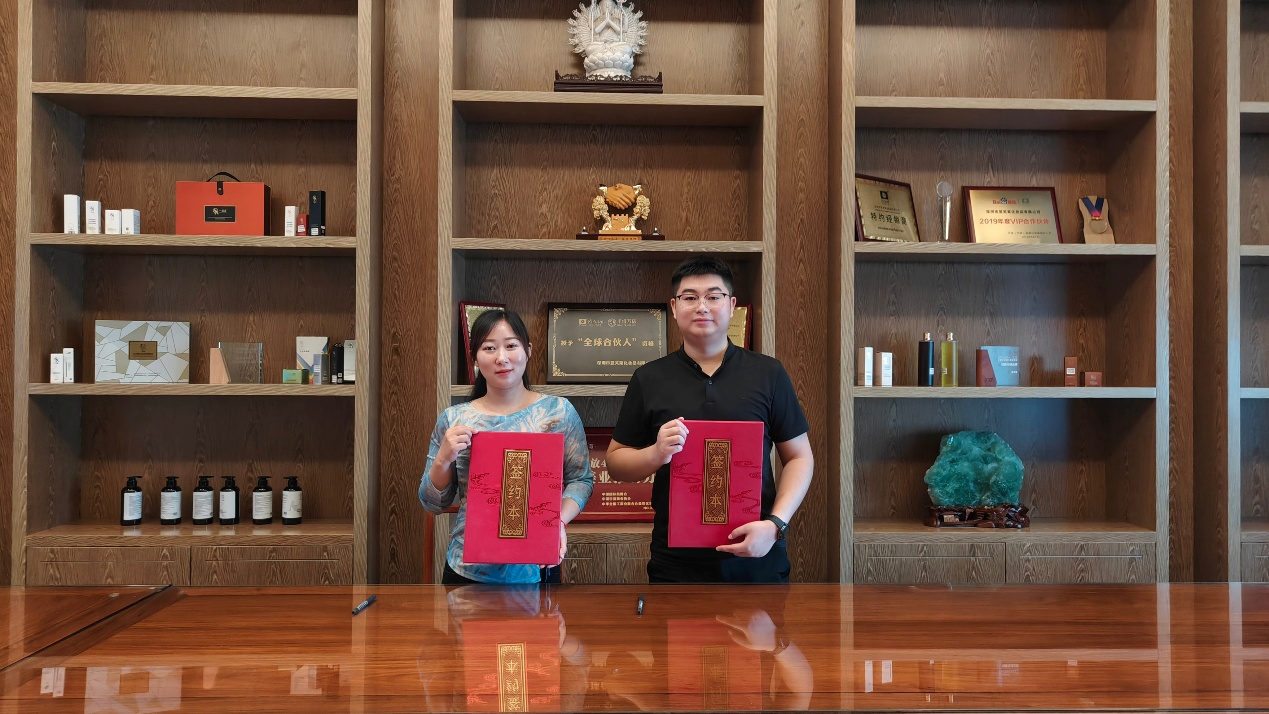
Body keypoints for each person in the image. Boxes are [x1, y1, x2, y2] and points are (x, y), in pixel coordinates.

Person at [606, 256, 813, 583]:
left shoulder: (768, 373)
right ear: (674, 308)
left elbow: (800, 457)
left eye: (713, 296)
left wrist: (776, 524)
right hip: (676, 559)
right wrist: (656, 453)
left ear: (731, 306)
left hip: (758, 551)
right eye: (690, 297)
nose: (702, 306)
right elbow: (616, 463)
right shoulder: (649, 378)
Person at [420, 308, 594, 584]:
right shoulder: (455, 419)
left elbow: (581, 480)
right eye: (489, 348)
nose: (501, 358)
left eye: (511, 346)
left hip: (537, 564)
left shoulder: (558, 412)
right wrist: (443, 460)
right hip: (467, 567)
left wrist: (556, 522)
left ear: (528, 350)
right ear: (475, 358)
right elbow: (433, 503)